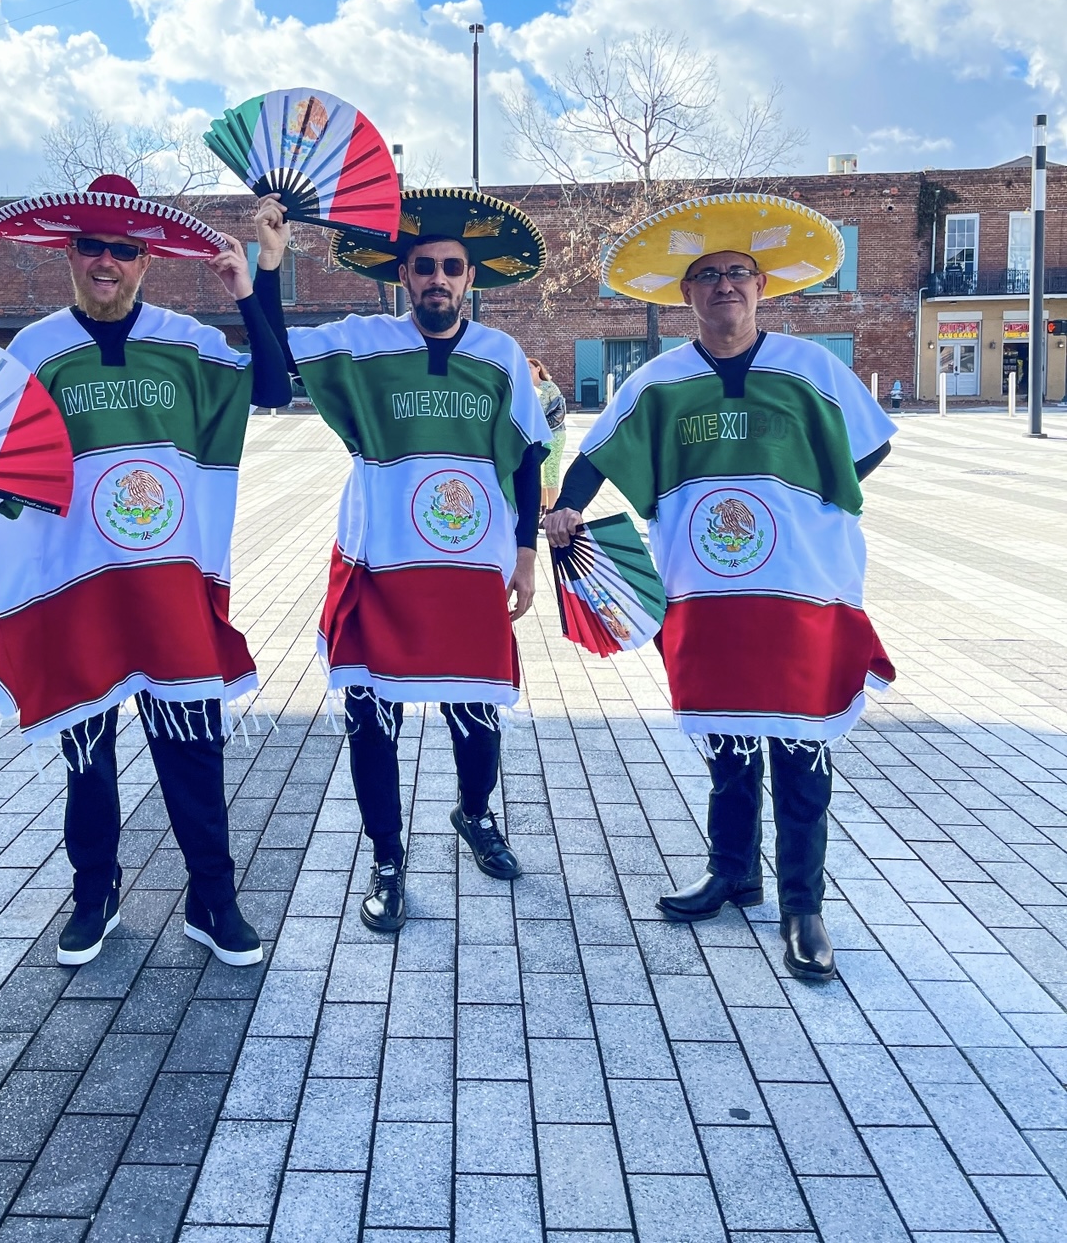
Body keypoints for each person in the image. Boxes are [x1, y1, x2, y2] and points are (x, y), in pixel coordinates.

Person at [0, 174, 292, 968]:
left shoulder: (186, 341)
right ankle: (93, 892)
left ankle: (213, 899)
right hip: (75, 585)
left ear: (146, 260)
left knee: (192, 748)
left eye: (124, 250)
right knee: (88, 755)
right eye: (92, 247)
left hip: (169, 583)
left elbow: (274, 387)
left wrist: (254, 285)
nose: (107, 261)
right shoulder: (35, 351)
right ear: (68, 253)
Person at [545, 193, 895, 982]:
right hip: (704, 592)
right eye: (708, 275)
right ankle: (733, 871)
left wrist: (803, 501)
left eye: (739, 272)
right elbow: (597, 455)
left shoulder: (811, 369)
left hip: (802, 590)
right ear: (687, 293)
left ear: (762, 286)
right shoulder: (659, 381)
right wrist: (567, 509)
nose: (725, 285)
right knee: (728, 737)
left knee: (800, 744)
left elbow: (868, 450)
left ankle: (803, 907)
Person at [253, 187, 551, 931]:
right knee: (370, 719)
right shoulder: (362, 343)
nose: (437, 279)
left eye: (451, 267)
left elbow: (525, 459)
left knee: (476, 715)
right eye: (424, 267)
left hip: (470, 571)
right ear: (403, 276)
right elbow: (272, 363)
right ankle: (387, 859)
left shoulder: (501, 356)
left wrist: (525, 554)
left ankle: (475, 813)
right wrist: (268, 266)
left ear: (470, 278)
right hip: (378, 566)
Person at [526, 356, 568, 518]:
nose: (527, 371)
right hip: (537, 436)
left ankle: (552, 511)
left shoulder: (549, 387)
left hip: (554, 434)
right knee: (540, 471)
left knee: (550, 472)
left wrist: (544, 426)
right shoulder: (526, 388)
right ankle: (542, 509)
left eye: (530, 367)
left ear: (538, 369)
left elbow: (560, 411)